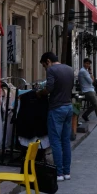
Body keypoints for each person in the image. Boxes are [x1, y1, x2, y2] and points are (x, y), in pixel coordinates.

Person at [39, 52, 74, 182]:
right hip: (68, 107)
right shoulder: (69, 69)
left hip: (56, 108)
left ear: (48, 61)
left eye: (44, 66)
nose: (45, 69)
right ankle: (67, 172)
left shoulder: (52, 70)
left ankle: (58, 173)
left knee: (55, 141)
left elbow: (49, 88)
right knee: (65, 141)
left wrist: (39, 93)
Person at [78, 58, 97, 125]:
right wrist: (91, 75)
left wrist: (90, 72)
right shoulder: (83, 71)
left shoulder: (86, 71)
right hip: (88, 91)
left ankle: (85, 115)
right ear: (83, 63)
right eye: (86, 63)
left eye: (89, 64)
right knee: (96, 105)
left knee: (95, 105)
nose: (87, 65)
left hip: (90, 90)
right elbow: (91, 81)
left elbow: (92, 80)